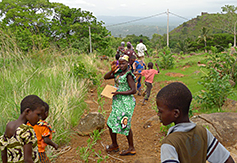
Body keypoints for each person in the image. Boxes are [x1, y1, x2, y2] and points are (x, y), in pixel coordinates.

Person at [156, 82, 235, 163]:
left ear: (176, 113)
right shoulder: (203, 132)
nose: (158, 114)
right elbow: (228, 160)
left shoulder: (169, 143)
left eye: (160, 111)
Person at [104, 55, 136, 156]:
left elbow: (133, 90)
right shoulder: (118, 73)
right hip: (118, 102)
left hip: (126, 102)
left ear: (128, 63)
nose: (121, 65)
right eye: (120, 63)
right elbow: (106, 77)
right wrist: (111, 70)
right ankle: (114, 145)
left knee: (125, 123)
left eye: (123, 63)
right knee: (110, 123)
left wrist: (119, 93)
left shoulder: (129, 75)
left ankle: (131, 148)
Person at [0, 95, 45, 163]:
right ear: (28, 111)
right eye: (38, 114)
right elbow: (27, 160)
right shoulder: (27, 130)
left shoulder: (9, 126)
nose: (40, 118)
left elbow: (3, 152)